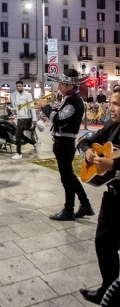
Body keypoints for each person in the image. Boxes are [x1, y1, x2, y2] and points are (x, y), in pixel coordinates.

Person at [77, 86, 120, 305]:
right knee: (104, 245)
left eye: (117, 104)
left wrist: (114, 165)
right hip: (112, 199)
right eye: (111, 103)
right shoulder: (111, 125)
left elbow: (114, 163)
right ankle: (108, 289)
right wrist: (88, 152)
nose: (111, 108)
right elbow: (84, 140)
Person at [39, 69, 94, 221]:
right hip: (62, 143)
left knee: (66, 178)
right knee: (69, 175)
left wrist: (45, 107)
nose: (59, 86)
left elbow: (59, 119)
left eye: (62, 83)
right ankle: (85, 205)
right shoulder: (68, 98)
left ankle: (69, 210)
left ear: (69, 85)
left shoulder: (75, 100)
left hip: (65, 144)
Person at [10, 80, 40, 160]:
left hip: (26, 118)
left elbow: (32, 107)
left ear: (22, 86)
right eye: (17, 86)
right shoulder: (17, 96)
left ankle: (19, 153)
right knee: (19, 135)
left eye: (20, 86)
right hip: (20, 118)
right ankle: (34, 143)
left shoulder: (27, 95)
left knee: (18, 135)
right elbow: (18, 107)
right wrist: (11, 110)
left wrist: (34, 119)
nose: (18, 87)